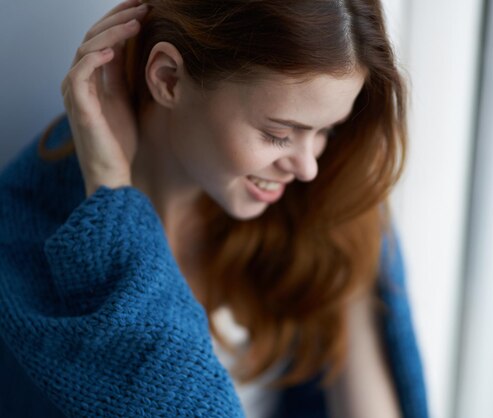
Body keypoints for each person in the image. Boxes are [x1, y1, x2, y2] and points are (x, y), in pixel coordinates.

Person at [0, 0, 429, 417]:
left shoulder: (327, 202)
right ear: (168, 79)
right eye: (279, 133)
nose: (308, 168)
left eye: (327, 131)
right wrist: (112, 200)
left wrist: (345, 248)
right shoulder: (22, 234)